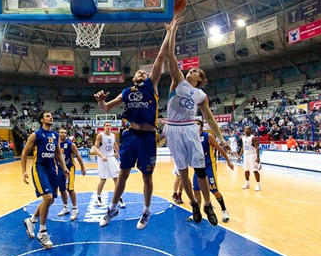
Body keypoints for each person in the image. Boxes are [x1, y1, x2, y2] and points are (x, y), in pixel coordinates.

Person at [94, 18, 172, 230]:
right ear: (133, 77)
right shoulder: (127, 92)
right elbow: (106, 109)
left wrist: (169, 32)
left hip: (147, 137)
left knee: (147, 176)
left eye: (144, 73)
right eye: (139, 72)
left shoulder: (151, 85)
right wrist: (101, 101)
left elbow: (161, 56)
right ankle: (112, 208)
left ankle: (146, 211)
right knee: (123, 173)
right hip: (130, 136)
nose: (142, 73)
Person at [162, 16, 227, 226]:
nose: (192, 70)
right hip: (172, 128)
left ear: (200, 79)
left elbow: (209, 118)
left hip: (190, 129)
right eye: (191, 69)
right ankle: (193, 202)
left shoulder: (201, 95)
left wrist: (221, 137)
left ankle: (208, 203)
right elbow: (170, 55)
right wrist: (171, 31)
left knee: (199, 170)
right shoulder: (177, 81)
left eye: (196, 71)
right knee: (182, 173)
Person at [21, 111, 69, 248]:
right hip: (39, 168)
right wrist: (23, 171)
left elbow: (58, 154)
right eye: (48, 116)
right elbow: (24, 153)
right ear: (42, 119)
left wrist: (64, 168)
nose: (51, 117)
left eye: (51, 116)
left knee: (51, 199)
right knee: (47, 198)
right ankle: (42, 232)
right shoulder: (36, 135)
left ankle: (32, 220)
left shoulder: (55, 135)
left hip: (51, 169)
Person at [190, 119, 234, 222]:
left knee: (214, 190)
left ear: (201, 126)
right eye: (194, 125)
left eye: (197, 124)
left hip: (209, 165)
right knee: (196, 190)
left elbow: (219, 148)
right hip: (198, 166)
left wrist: (228, 161)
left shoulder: (208, 136)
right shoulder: (191, 138)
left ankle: (224, 210)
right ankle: (197, 213)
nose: (195, 126)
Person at [91, 121, 126, 209]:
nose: (108, 127)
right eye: (107, 125)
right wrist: (102, 156)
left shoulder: (113, 136)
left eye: (110, 126)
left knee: (117, 179)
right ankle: (98, 197)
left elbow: (115, 145)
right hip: (102, 159)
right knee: (103, 180)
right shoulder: (100, 135)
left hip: (111, 158)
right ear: (104, 127)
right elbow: (95, 148)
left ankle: (119, 198)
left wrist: (118, 153)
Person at [56, 126, 86, 221]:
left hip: (70, 168)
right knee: (62, 189)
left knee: (70, 188)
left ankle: (75, 208)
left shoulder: (70, 144)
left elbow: (78, 155)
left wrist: (82, 167)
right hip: (60, 168)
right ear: (58, 133)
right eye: (61, 132)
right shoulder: (55, 144)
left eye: (65, 133)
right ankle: (66, 207)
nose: (63, 134)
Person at [240, 126, 262, 191]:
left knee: (255, 170)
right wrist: (239, 155)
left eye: (248, 129)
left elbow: (257, 147)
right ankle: (247, 184)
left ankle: (258, 185)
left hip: (252, 155)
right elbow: (243, 147)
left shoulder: (253, 138)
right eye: (245, 129)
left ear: (250, 130)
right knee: (246, 170)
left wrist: (258, 157)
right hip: (246, 155)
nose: (246, 130)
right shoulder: (243, 138)